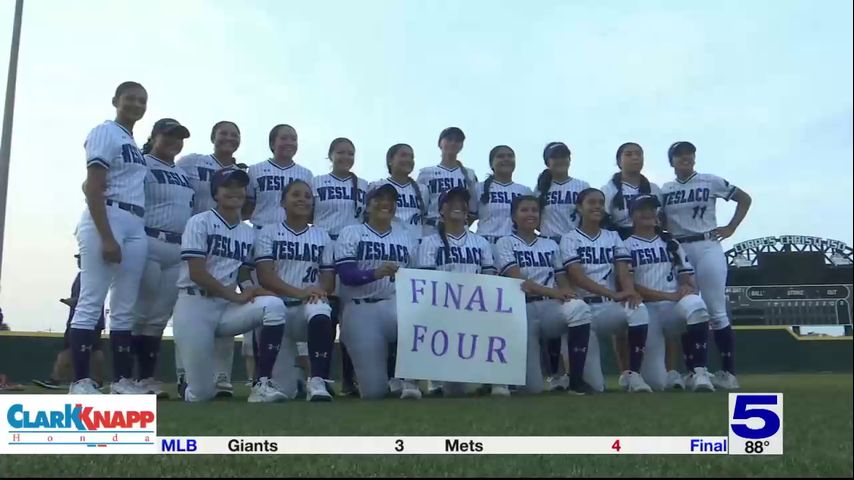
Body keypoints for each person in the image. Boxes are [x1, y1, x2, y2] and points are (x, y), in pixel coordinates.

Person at [172, 168, 288, 403]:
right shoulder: (199, 222)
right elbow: (197, 272)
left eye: (239, 186)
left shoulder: (247, 232)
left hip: (225, 308)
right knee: (202, 394)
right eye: (228, 186)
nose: (235, 191)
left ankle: (261, 384)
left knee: (274, 305)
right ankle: (189, 385)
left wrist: (252, 289)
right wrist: (235, 296)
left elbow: (243, 270)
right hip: (194, 305)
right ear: (216, 193)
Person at [68, 81, 150, 395]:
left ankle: (121, 381)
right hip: (108, 215)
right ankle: (80, 381)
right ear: (116, 100)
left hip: (134, 221)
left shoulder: (132, 141)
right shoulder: (106, 131)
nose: (136, 105)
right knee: (91, 301)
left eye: (142, 101)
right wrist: (106, 236)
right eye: (130, 99)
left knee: (124, 306)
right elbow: (93, 186)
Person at [660, 141, 752, 390]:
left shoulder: (710, 181)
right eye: (679, 155)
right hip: (679, 249)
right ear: (672, 161)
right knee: (690, 307)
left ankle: (728, 372)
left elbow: (744, 198)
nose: (685, 157)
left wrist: (731, 227)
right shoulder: (664, 189)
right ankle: (694, 371)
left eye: (689, 153)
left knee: (716, 310)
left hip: (707, 243)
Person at [494, 195, 594, 395]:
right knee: (533, 388)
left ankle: (575, 380)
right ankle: (511, 379)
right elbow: (520, 282)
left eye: (534, 210)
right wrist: (557, 292)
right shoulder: (504, 243)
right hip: (522, 311)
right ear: (514, 216)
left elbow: (561, 277)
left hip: (549, 307)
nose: (530, 214)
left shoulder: (550, 245)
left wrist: (567, 294)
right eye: (524, 210)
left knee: (579, 308)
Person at [176, 120, 244, 397]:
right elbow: (172, 181)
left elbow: (246, 204)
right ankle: (184, 376)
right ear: (213, 136)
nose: (229, 138)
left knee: (226, 304)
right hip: (194, 237)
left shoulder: (241, 172)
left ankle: (222, 377)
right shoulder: (192, 162)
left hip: (227, 241)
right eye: (224, 133)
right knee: (189, 311)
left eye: (234, 134)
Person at [561, 188, 652, 393]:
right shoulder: (570, 238)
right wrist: (613, 293)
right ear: (579, 207)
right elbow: (576, 276)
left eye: (600, 203)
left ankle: (634, 375)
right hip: (583, 310)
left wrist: (629, 291)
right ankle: (572, 379)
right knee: (596, 387)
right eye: (591, 202)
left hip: (608, 308)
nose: (596, 207)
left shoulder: (612, 236)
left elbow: (623, 270)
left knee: (638, 309)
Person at [334, 183, 420, 400]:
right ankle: (387, 382)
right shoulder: (351, 232)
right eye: (378, 199)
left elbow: (417, 280)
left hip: (394, 304)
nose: (385, 203)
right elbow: (345, 275)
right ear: (368, 205)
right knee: (373, 392)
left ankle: (409, 380)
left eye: (390, 200)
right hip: (360, 308)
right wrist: (375, 273)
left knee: (416, 317)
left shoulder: (405, 236)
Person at [130, 118, 194, 399]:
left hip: (177, 247)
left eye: (178, 137)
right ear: (154, 136)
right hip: (148, 240)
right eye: (168, 136)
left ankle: (145, 378)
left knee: (157, 318)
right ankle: (126, 377)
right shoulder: (141, 163)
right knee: (138, 313)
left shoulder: (182, 173)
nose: (173, 142)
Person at [255, 179, 337, 401]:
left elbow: (328, 278)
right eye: (296, 195)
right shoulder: (268, 232)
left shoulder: (321, 235)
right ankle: (282, 382)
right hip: (277, 310)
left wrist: (320, 291)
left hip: (305, 308)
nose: (302, 199)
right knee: (285, 392)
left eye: (308, 196)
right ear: (283, 202)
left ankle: (317, 380)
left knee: (321, 307)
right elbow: (265, 275)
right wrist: (298, 291)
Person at [625, 194, 715, 392]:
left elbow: (686, 275)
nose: (648, 213)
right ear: (632, 215)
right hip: (647, 311)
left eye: (652, 208)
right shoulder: (625, 245)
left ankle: (699, 371)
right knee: (657, 382)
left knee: (696, 304)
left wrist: (685, 286)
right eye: (642, 209)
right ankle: (656, 374)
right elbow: (630, 285)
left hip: (673, 309)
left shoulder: (670, 242)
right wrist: (669, 296)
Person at [416, 186, 500, 396]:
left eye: (462, 202)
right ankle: (432, 379)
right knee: (455, 390)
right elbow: (428, 281)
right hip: (442, 309)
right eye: (450, 202)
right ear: (441, 210)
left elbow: (490, 277)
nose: (457, 206)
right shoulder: (429, 242)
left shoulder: (480, 242)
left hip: (476, 307)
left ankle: (497, 378)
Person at [600, 143, 671, 387]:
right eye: (628, 154)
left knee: (668, 309)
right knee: (624, 306)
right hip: (620, 243)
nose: (634, 158)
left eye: (638, 153)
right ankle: (625, 371)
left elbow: (663, 220)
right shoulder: (609, 189)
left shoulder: (652, 188)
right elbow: (603, 220)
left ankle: (672, 371)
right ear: (618, 160)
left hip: (650, 241)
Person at [310, 138, 367, 396]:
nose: (346, 157)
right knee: (326, 312)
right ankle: (319, 376)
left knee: (350, 318)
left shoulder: (364, 186)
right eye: (341, 152)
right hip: (323, 247)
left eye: (350, 153)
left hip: (353, 253)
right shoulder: (317, 182)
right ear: (330, 155)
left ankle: (349, 378)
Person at [533, 141, 590, 390]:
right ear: (548, 162)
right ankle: (555, 373)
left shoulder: (581, 186)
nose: (560, 160)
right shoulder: (540, 189)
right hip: (549, 246)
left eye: (563, 156)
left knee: (576, 303)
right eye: (554, 157)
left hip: (576, 246)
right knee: (556, 305)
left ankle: (573, 371)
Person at [33, 255, 106, 390]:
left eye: (81, 258)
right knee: (96, 349)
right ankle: (97, 381)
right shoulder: (99, 274)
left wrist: (70, 301)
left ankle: (55, 379)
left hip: (81, 320)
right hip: (95, 318)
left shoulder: (85, 275)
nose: (78, 261)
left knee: (69, 348)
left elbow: (82, 300)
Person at [244, 124, 314, 227]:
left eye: (294, 139)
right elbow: (247, 206)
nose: (289, 143)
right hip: (260, 231)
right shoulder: (255, 170)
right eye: (284, 138)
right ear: (272, 144)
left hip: (293, 236)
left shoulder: (306, 174)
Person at [416, 127, 478, 237]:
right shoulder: (426, 173)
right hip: (431, 228)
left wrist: (460, 224)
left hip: (459, 230)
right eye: (449, 139)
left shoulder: (469, 174)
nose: (453, 143)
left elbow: (473, 209)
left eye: (458, 140)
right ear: (440, 143)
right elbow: (419, 207)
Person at [473, 145, 533, 244]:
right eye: (500, 156)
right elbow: (468, 218)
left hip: (514, 244)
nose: (506, 159)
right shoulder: (478, 188)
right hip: (486, 243)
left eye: (510, 156)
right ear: (491, 164)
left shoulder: (524, 191)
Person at [370, 144, 427, 243]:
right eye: (403, 155)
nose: (408, 160)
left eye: (411, 157)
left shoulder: (422, 189)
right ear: (390, 161)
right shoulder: (377, 186)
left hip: (416, 244)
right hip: (387, 242)